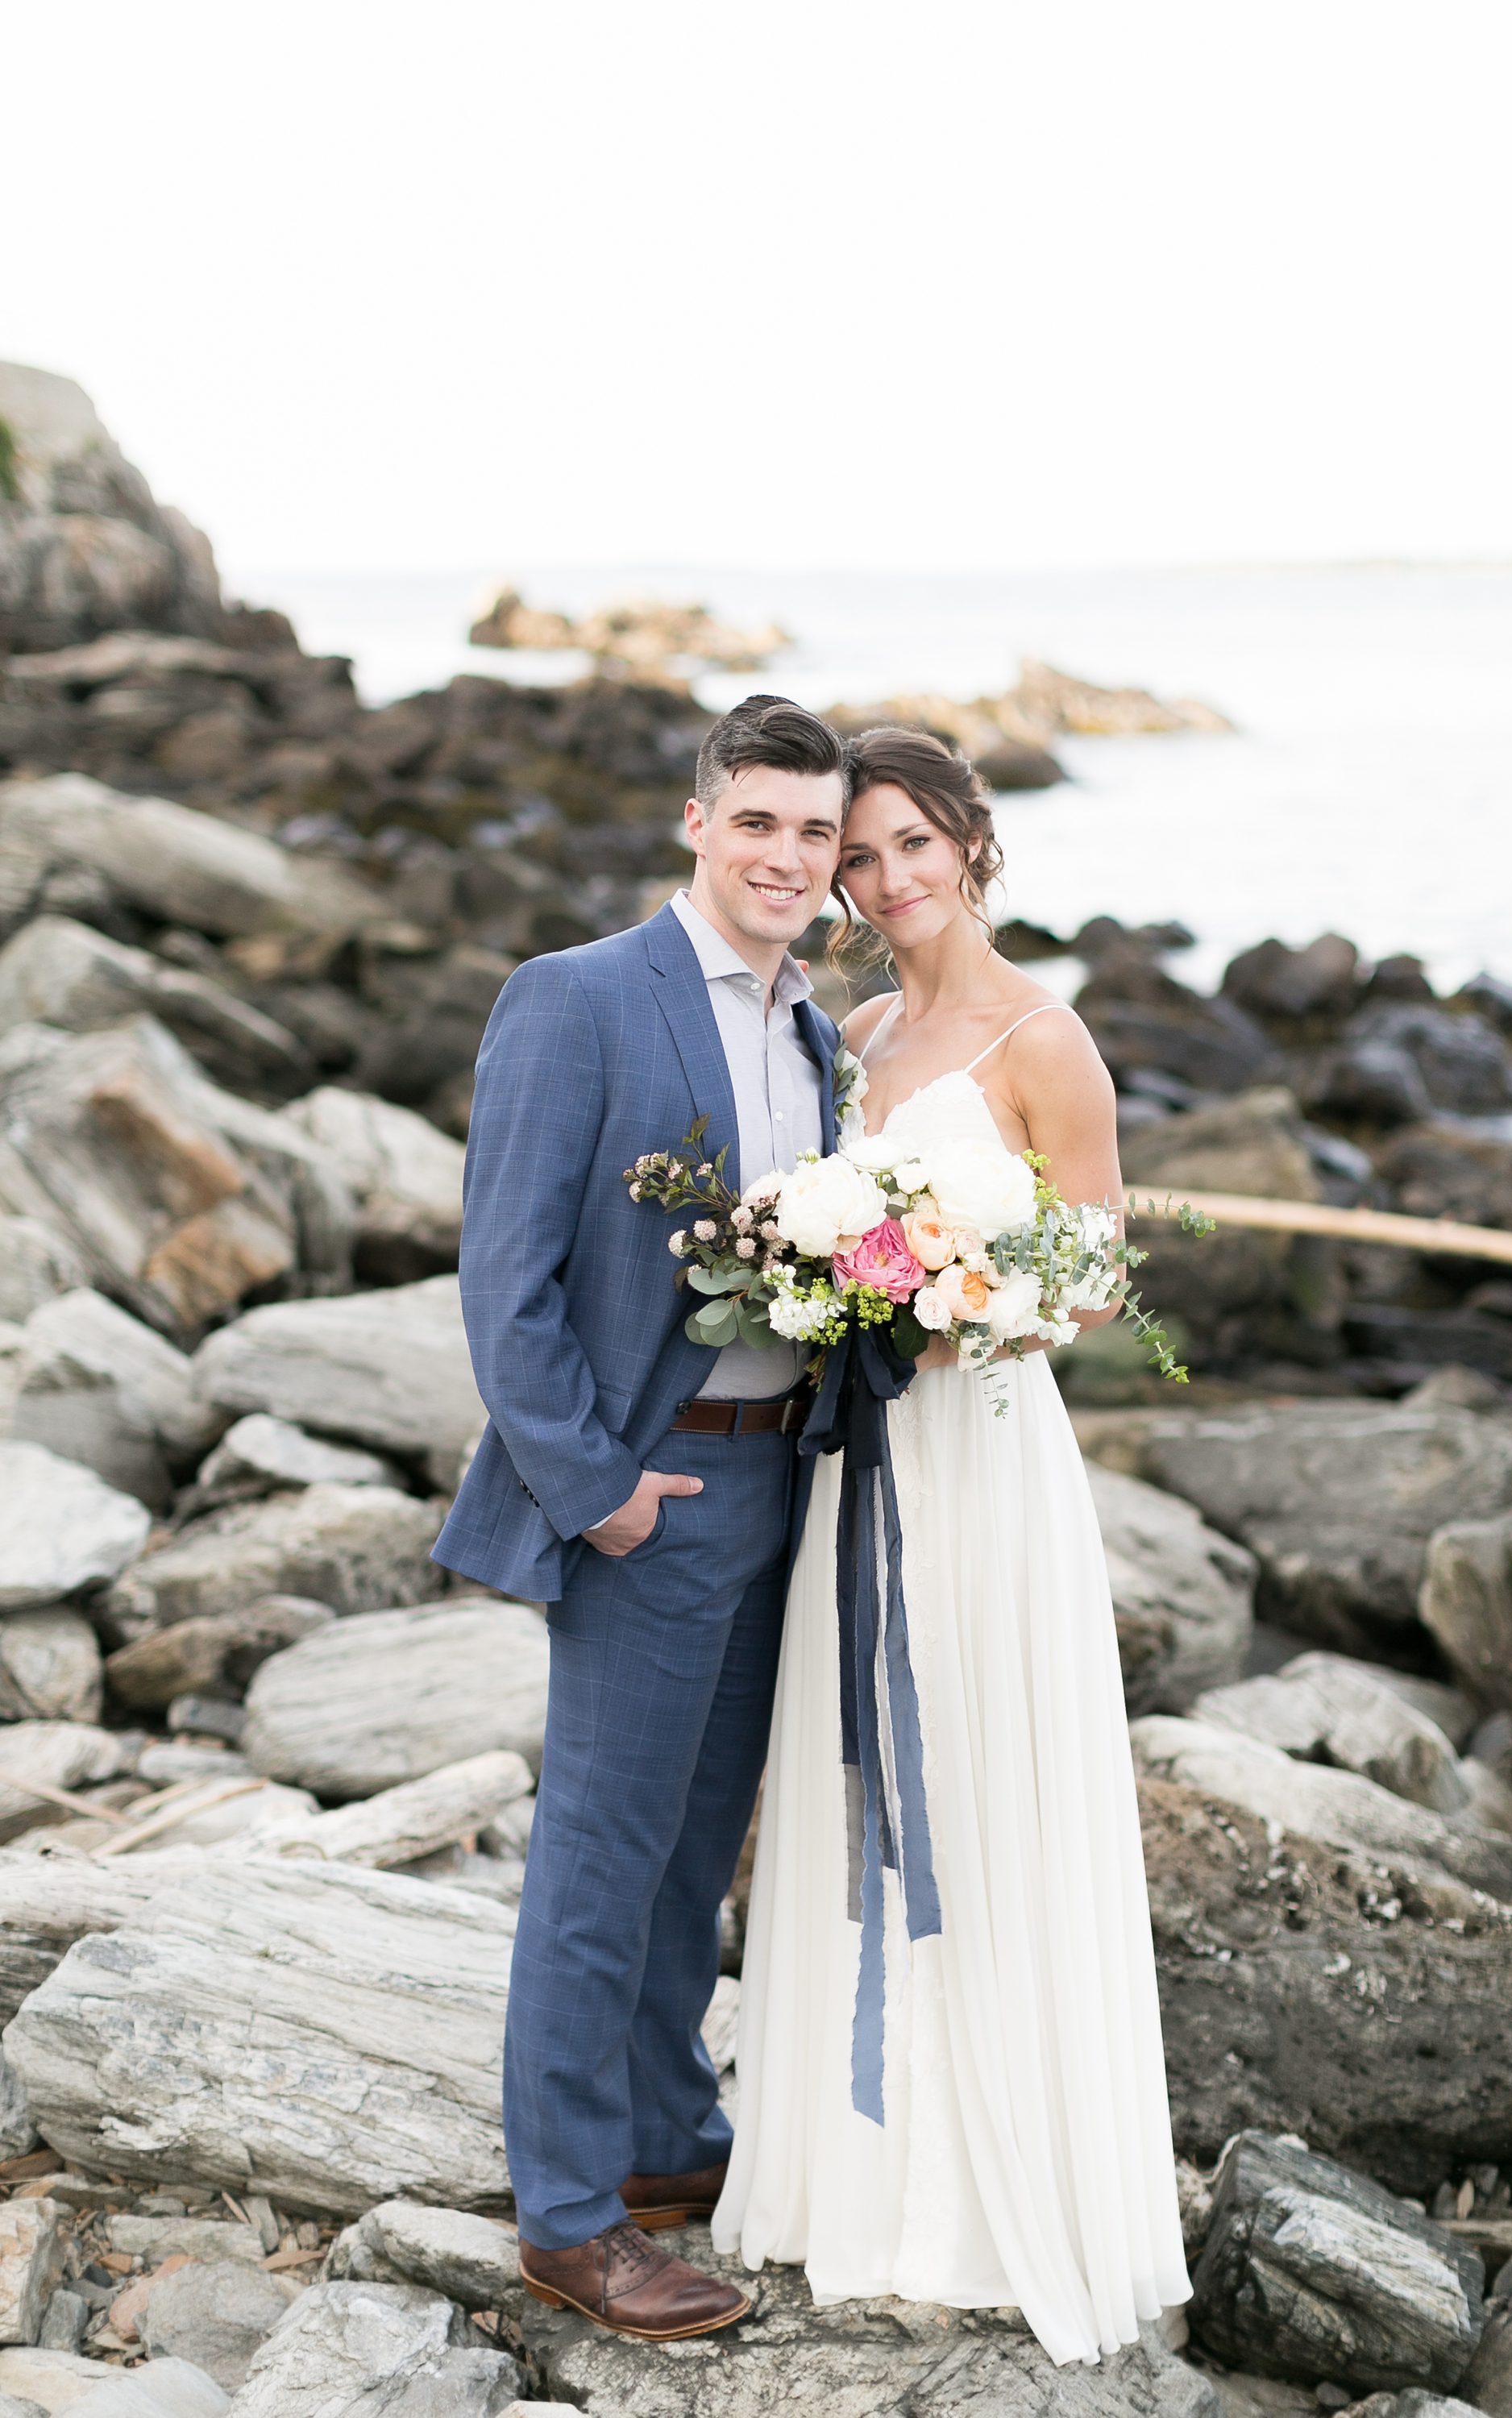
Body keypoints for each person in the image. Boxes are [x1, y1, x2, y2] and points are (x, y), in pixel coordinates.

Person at [712, 726, 1191, 2365]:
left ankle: (992, 2194)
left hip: (982, 1457)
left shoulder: (1044, 1040)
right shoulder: (848, 1033)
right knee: (858, 1783)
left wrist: (949, 1306)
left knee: (983, 1787)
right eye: (857, 857)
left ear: (969, 844)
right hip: (861, 1465)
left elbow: (1096, 1275)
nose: (883, 878)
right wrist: (833, 1286)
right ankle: (852, 2173)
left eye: (909, 844)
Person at [434, 694, 848, 2341]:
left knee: (695, 1853)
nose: (786, 857)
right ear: (698, 823)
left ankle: (668, 2143)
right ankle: (569, 2216)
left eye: (813, 834)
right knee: (603, 1855)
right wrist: (597, 1493)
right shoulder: (580, 1000)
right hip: (650, 1488)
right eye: (757, 822)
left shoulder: (817, 1030)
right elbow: (505, 1276)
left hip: (781, 1476)